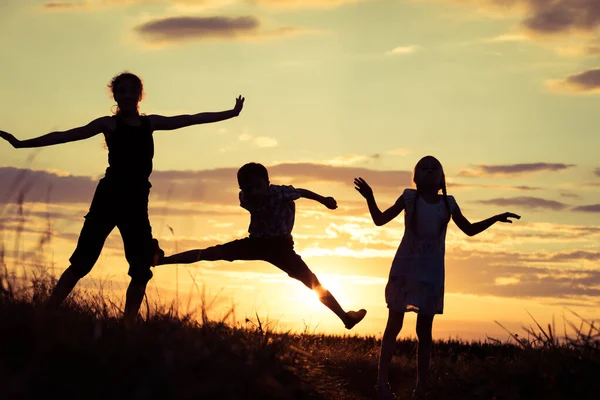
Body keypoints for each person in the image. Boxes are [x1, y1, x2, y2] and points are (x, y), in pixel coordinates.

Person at [0, 72, 245, 326]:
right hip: (108, 198)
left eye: (132, 91)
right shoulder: (109, 125)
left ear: (139, 96)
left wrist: (230, 113)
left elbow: (190, 119)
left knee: (141, 269)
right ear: (115, 96)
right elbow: (66, 135)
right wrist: (21, 144)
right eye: (122, 91)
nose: (127, 96)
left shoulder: (150, 124)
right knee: (82, 261)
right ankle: (45, 313)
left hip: (137, 203)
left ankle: (128, 326)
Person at [354, 155, 520, 400]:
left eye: (435, 168)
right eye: (424, 167)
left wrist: (494, 218)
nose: (429, 171)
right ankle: (382, 385)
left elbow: (470, 229)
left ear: (442, 178)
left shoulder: (449, 203)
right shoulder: (409, 197)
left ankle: (420, 389)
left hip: (431, 274)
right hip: (405, 269)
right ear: (416, 177)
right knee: (394, 326)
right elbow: (380, 220)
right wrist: (370, 197)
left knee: (425, 331)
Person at [157, 162, 367, 330]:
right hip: (255, 243)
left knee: (312, 282)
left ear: (268, 183)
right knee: (212, 253)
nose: (254, 192)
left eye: (258, 187)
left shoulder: (279, 193)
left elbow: (301, 192)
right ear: (242, 189)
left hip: (281, 248)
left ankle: (345, 317)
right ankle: (162, 260)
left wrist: (324, 200)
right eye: (248, 188)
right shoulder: (245, 198)